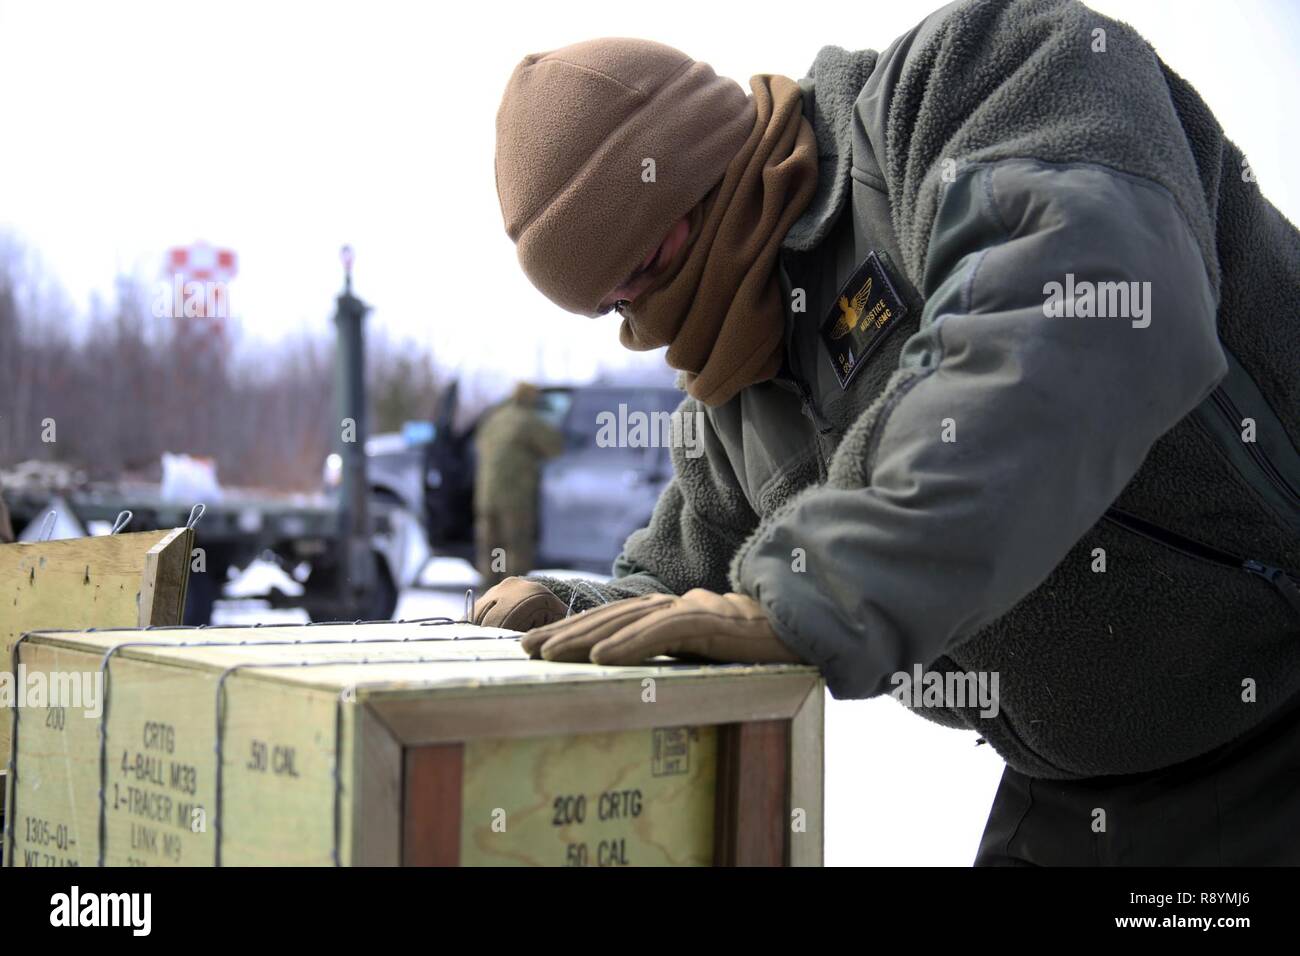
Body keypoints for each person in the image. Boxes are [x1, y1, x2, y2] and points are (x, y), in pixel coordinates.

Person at [478, 0, 1300, 864]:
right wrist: (566, 613)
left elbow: (1071, 316)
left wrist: (827, 591)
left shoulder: (975, 78)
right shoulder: (737, 399)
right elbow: (683, 586)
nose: (646, 325)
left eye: (644, 267)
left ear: (689, 162)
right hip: (1090, 785)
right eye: (613, 307)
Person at [472, 382, 564, 589]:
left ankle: (490, 592)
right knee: (516, 546)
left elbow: (479, 446)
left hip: (486, 495)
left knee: (493, 548)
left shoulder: (494, 419)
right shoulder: (527, 421)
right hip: (513, 496)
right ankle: (512, 594)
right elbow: (555, 447)